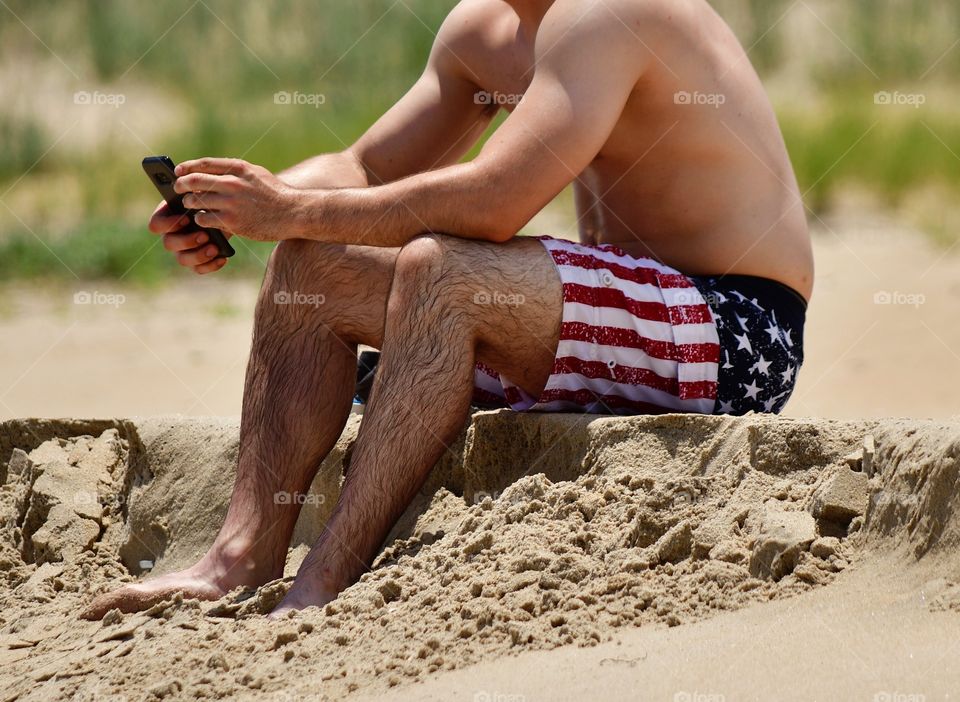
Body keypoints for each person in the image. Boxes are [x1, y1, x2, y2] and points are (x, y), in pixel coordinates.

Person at [82, 0, 813, 619]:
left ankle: (324, 580)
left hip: (737, 328)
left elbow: (496, 204)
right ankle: (238, 556)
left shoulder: (607, 12)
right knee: (308, 261)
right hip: (611, 316)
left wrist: (292, 208)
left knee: (442, 271)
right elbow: (367, 170)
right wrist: (241, 204)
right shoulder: (482, 32)